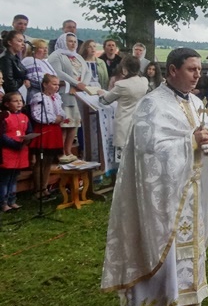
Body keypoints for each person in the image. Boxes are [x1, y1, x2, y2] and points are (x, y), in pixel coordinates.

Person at [101, 48, 208, 306]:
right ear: (172, 70)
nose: (198, 74)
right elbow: (150, 152)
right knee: (161, 261)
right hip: (159, 204)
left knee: (186, 262)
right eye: (191, 69)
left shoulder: (197, 102)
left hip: (188, 199)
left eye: (199, 69)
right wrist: (193, 141)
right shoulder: (152, 105)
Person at [99, 54, 149, 166]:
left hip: (124, 123)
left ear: (124, 69)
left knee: (123, 161)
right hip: (138, 122)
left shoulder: (122, 85)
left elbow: (105, 101)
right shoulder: (144, 81)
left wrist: (102, 94)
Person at [48, 33, 91, 163]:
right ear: (63, 42)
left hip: (77, 93)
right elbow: (58, 73)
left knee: (74, 124)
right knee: (64, 124)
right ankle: (60, 152)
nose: (73, 44)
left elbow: (87, 72)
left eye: (74, 42)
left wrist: (82, 85)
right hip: (64, 93)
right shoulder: (56, 55)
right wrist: (75, 83)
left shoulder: (78, 57)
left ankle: (68, 150)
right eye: (70, 41)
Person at [27, 74, 65, 199]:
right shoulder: (38, 97)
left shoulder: (57, 97)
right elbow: (36, 114)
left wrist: (61, 117)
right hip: (44, 129)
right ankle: (38, 189)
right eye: (54, 84)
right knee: (41, 160)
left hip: (54, 130)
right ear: (45, 84)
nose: (56, 87)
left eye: (58, 84)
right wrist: (54, 119)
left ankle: (45, 187)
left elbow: (60, 111)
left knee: (48, 161)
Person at [0, 91, 33, 212]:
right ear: (7, 104)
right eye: (15, 101)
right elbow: (2, 135)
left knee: (14, 177)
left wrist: (28, 139)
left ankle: (12, 201)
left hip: (20, 152)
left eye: (20, 101)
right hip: (8, 152)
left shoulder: (24, 117)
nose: (19, 103)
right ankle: (3, 203)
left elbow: (29, 131)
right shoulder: (4, 117)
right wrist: (14, 144)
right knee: (5, 179)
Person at [0, 30, 30, 96]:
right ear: (10, 42)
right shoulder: (5, 59)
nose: (23, 44)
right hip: (10, 96)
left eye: (23, 41)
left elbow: (23, 72)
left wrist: (26, 79)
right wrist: (22, 83)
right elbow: (9, 83)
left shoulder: (16, 57)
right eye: (19, 41)